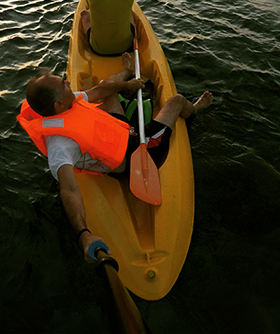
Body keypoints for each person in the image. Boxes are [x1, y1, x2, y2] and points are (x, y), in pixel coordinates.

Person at [17, 54, 213, 260]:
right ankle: (195, 108)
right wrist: (84, 234)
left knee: (107, 88)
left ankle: (127, 73)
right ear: (58, 104)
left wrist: (125, 86)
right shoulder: (60, 144)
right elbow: (69, 190)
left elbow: (99, 91)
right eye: (64, 84)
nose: (68, 82)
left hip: (119, 131)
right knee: (177, 101)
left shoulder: (66, 103)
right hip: (136, 155)